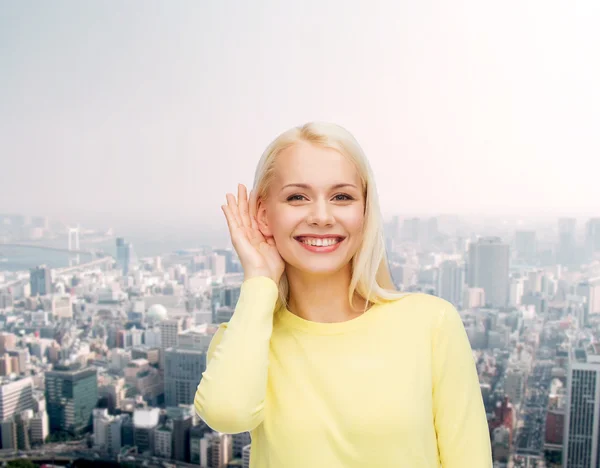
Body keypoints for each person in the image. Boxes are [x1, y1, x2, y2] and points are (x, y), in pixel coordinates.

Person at [194, 122, 492, 467]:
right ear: (263, 214)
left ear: (364, 211)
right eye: (297, 197)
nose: (321, 217)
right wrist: (260, 280)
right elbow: (228, 414)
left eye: (342, 197)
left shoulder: (431, 324)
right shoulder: (247, 339)